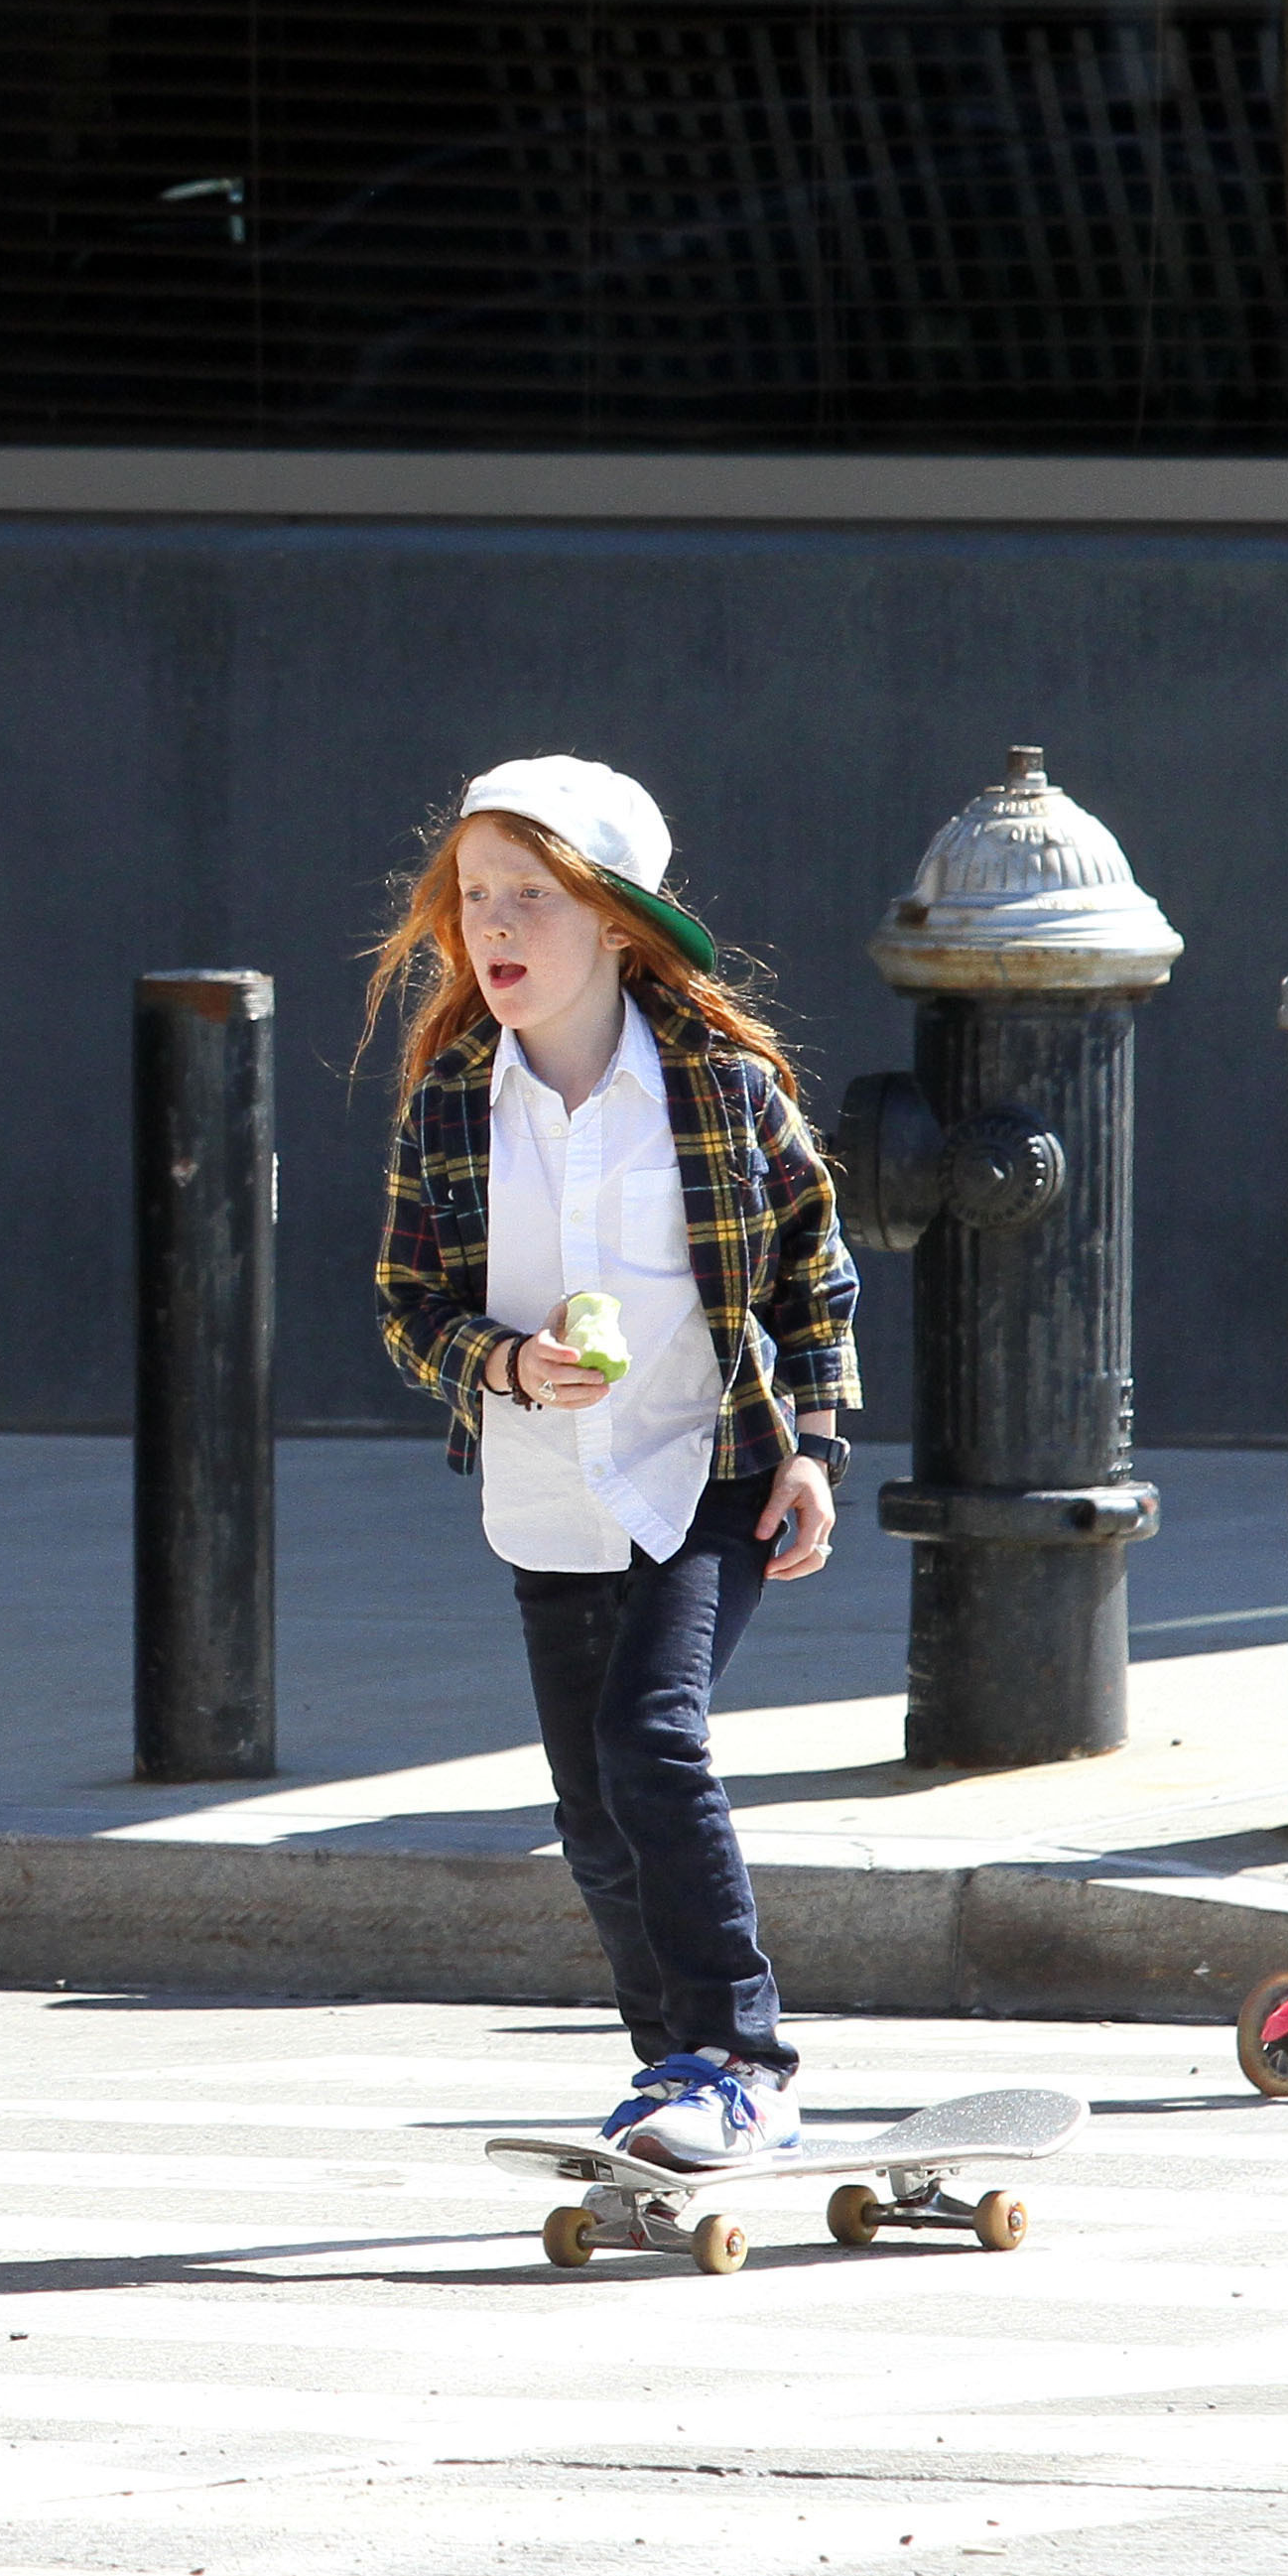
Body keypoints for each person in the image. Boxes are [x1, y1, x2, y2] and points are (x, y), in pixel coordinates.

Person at [366, 758, 859, 2169]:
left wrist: (814, 1450)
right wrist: (507, 1364)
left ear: (620, 925)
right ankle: (674, 2070)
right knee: (592, 1812)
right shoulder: (455, 1101)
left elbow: (811, 1285)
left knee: (654, 1743)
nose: (496, 927)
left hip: (705, 1471)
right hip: (545, 1491)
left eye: (534, 895)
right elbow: (410, 1307)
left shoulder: (717, 1086)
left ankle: (742, 2053)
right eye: (476, 899)